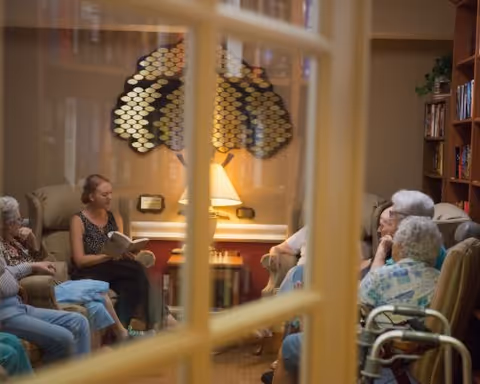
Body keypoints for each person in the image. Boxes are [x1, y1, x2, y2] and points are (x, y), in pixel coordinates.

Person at [273, 216, 442, 384]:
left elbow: (349, 312)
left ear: (401, 246)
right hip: (413, 356)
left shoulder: (382, 276)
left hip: (374, 357)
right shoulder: (440, 280)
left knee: (289, 346)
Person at [0, 196, 129, 346]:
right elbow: (11, 275)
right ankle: (123, 333)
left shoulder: (18, 241)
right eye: (18, 220)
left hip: (54, 284)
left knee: (96, 307)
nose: (22, 223)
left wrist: (33, 242)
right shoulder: (2, 248)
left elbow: (46, 260)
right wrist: (34, 267)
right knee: (99, 291)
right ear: (9, 224)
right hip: (39, 289)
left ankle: (93, 360)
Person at [70, 174, 175, 330]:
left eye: (111, 193)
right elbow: (79, 260)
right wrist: (107, 256)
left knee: (129, 284)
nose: (109, 198)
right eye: (104, 195)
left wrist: (128, 252)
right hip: (88, 270)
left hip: (114, 268)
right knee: (136, 270)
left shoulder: (114, 217)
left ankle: (124, 332)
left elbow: (121, 243)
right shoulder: (78, 220)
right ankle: (163, 318)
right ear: (91, 196)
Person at [0, 248, 91, 363]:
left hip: (18, 305)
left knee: (79, 322)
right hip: (5, 315)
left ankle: (83, 376)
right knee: (63, 338)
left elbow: (8, 271)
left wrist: (33, 266)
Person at [365, 190, 446, 275]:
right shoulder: (434, 242)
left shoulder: (406, 250)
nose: (391, 215)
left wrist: (381, 250)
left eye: (394, 213)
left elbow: (375, 279)